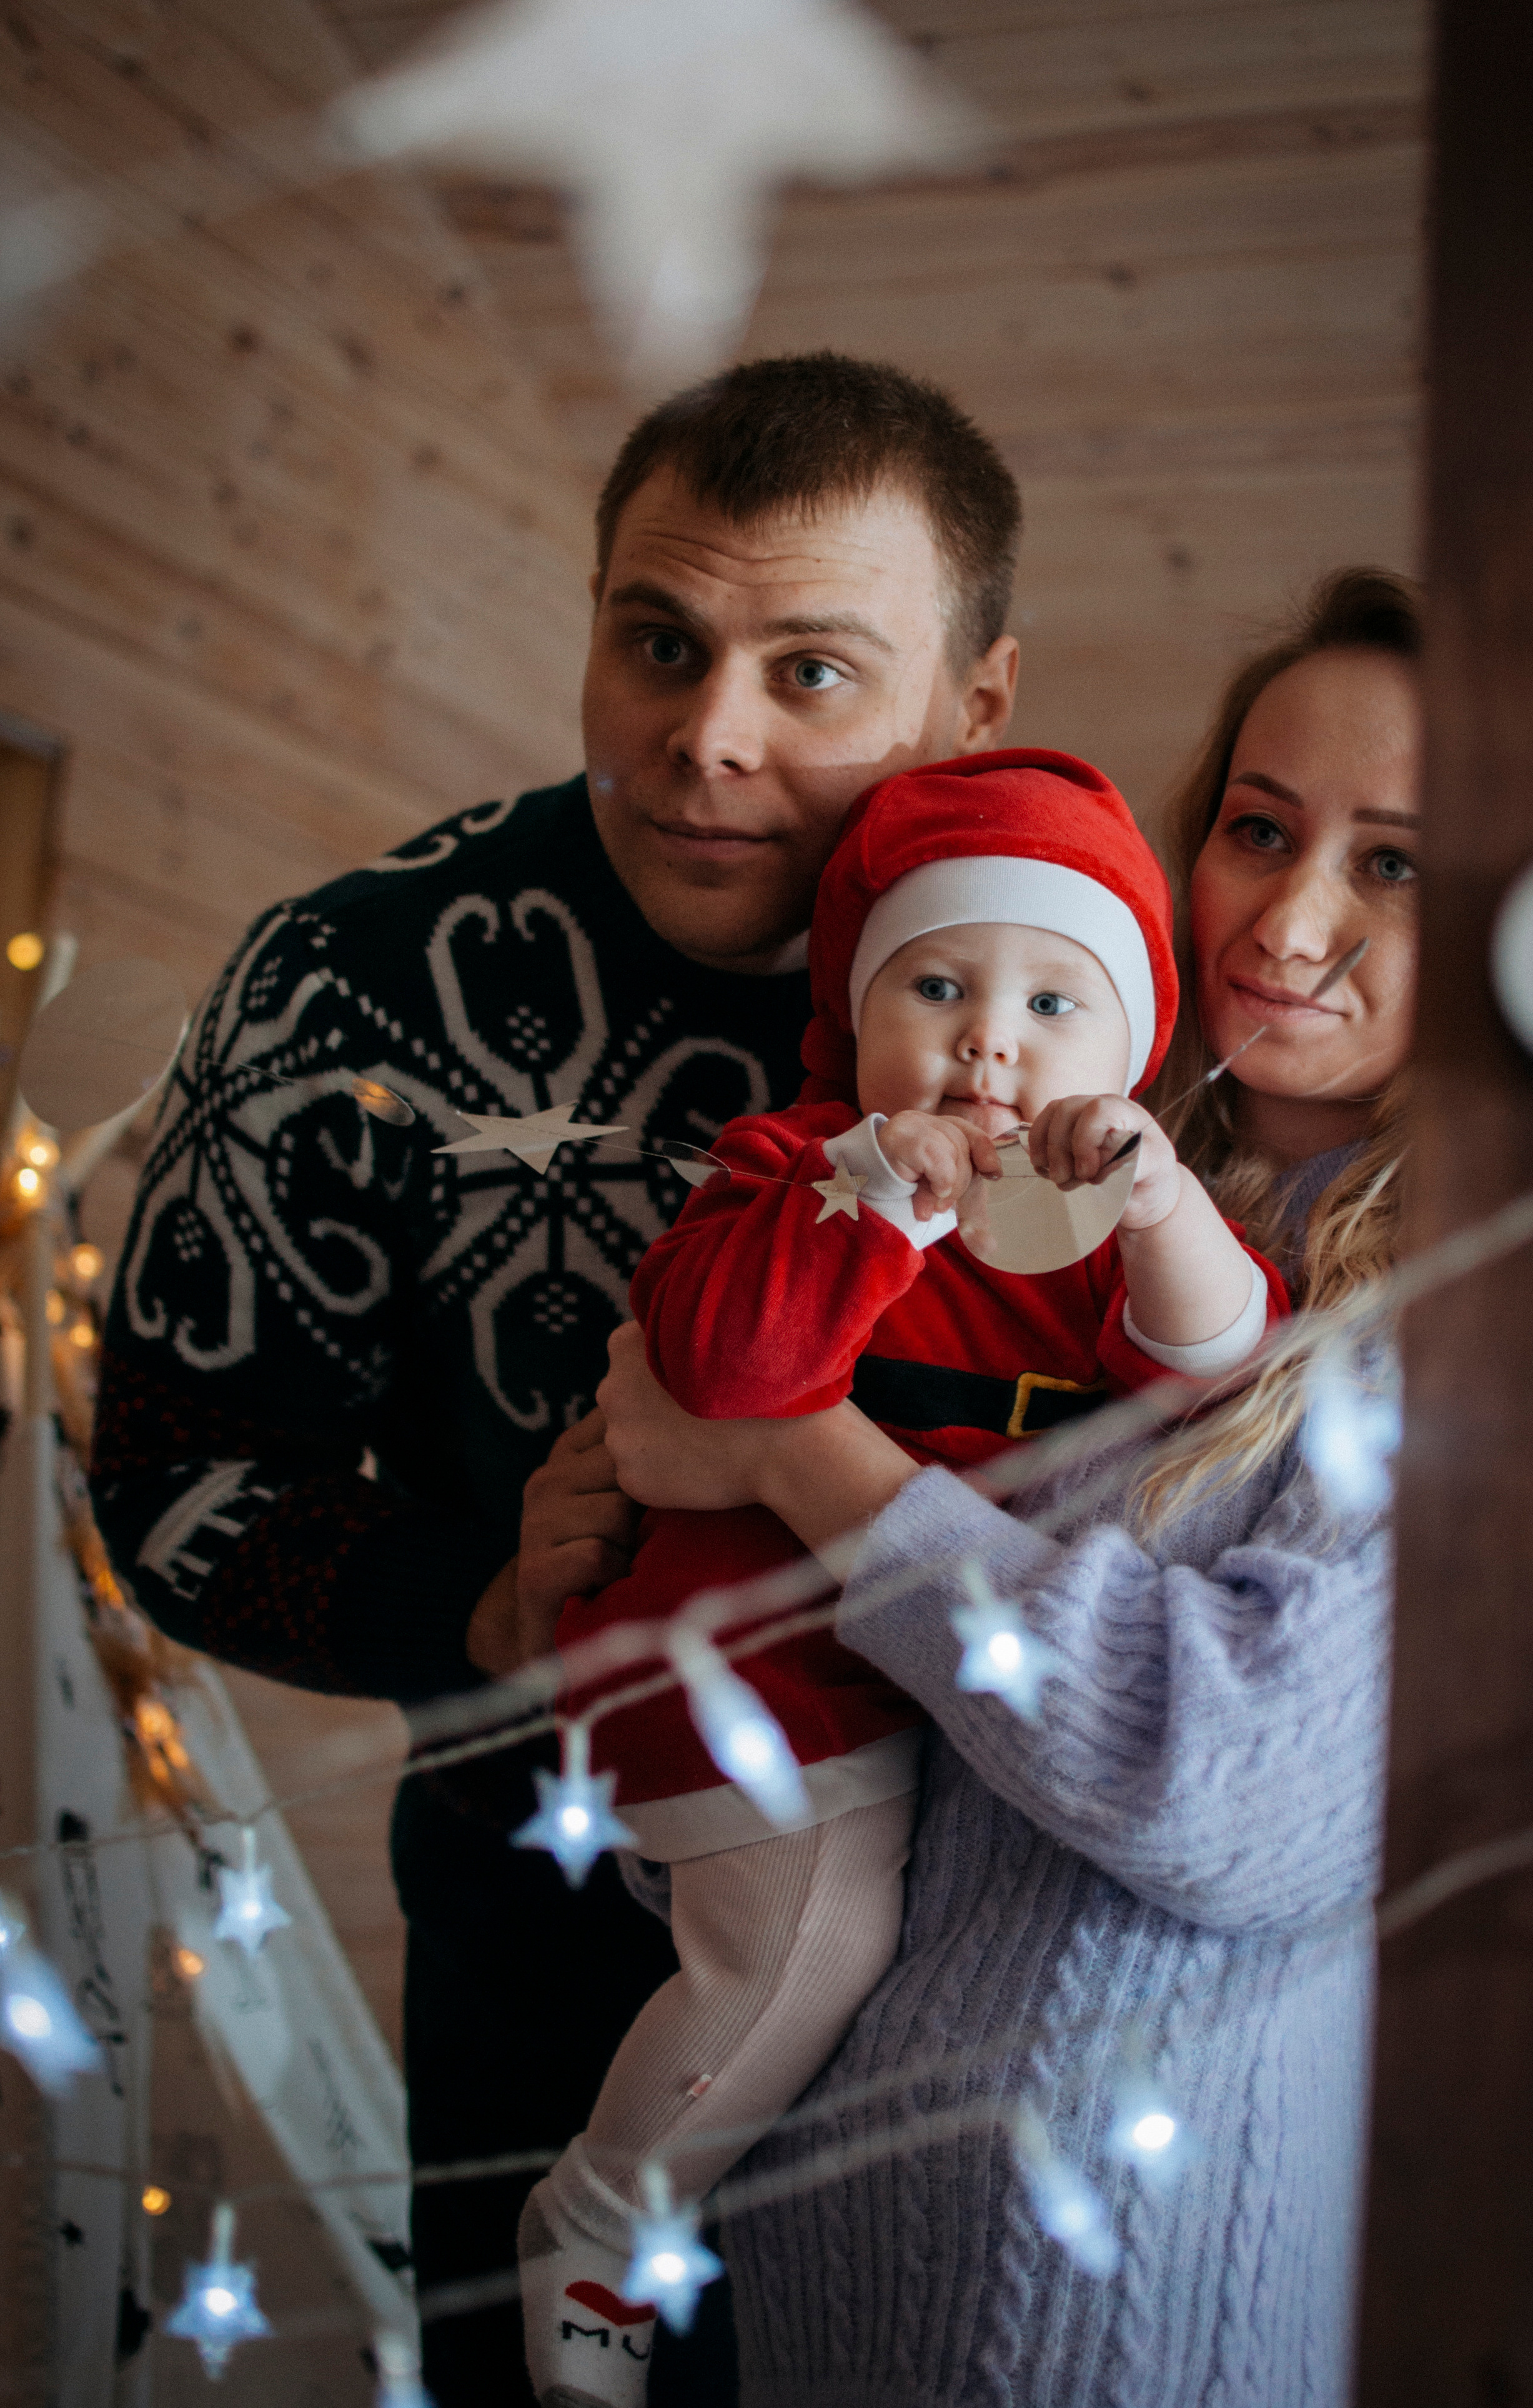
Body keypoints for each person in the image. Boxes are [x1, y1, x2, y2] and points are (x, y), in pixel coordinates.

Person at [87, 352, 1021, 2402]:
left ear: (975, 709)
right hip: (547, 1953)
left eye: (812, 674)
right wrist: (480, 1604)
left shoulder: (1093, 989)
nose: (707, 738)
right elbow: (163, 1479)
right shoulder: (347, 990)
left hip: (989, 1989)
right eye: (658, 644)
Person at [593, 567, 1421, 2405]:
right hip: (828, 2264)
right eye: (1261, 826)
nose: (1292, 918)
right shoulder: (1037, 1202)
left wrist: (790, 1448)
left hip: (1114, 2310)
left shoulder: (1474, 1328)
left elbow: (1223, 1787)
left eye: (1398, 865)